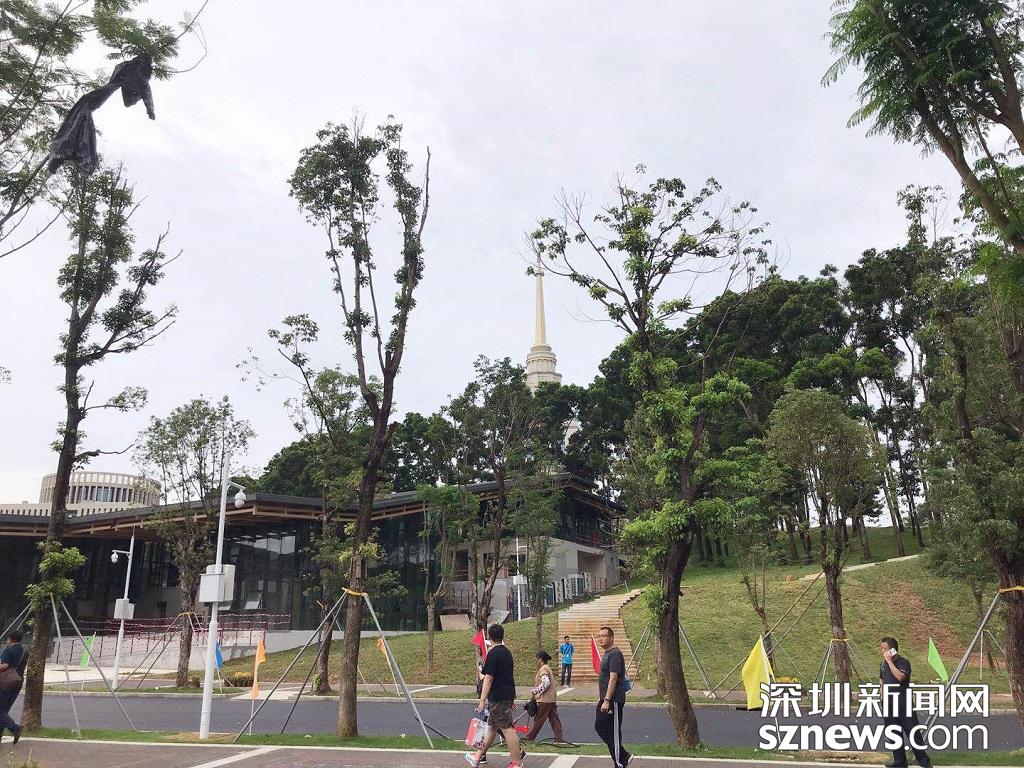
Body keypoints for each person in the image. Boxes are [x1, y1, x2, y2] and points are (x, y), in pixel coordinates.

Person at [465, 624, 525, 768]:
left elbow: (489, 678)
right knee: (491, 728)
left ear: (490, 637)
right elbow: (508, 676)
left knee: (507, 728)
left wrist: (482, 700)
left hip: (498, 697)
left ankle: (517, 762)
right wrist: (512, 698)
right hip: (506, 694)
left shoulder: (493, 654)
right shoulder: (507, 653)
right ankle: (477, 756)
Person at [879, 636, 931, 768]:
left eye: (885, 649)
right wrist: (882, 698)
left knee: (913, 733)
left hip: (903, 704)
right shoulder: (883, 664)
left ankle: (924, 762)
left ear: (892, 650)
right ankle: (900, 761)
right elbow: (882, 681)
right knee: (894, 734)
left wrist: (890, 662)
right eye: (882, 649)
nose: (882, 651)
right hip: (889, 705)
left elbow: (900, 677)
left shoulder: (903, 663)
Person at [594, 626, 631, 768]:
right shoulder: (607, 654)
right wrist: (601, 697)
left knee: (613, 731)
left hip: (613, 700)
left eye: (603, 636)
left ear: (611, 638)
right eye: (599, 636)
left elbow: (613, 677)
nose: (600, 638)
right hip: (606, 698)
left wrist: (607, 700)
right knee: (600, 727)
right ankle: (622, 756)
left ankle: (620, 761)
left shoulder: (615, 653)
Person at [525, 651, 564, 742]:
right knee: (554, 719)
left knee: (539, 720)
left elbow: (546, 683)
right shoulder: (548, 667)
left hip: (544, 699)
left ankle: (530, 738)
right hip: (551, 698)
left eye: (537, 659)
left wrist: (536, 691)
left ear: (540, 659)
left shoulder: (543, 669)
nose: (536, 661)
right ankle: (559, 738)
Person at [0, 631, 26, 744]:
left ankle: (15, 728)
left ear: (10, 639)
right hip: (18, 681)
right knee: (4, 710)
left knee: (1, 710)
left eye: (7, 639)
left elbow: (4, 665)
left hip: (6, 683)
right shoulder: (24, 651)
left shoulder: (8, 650)